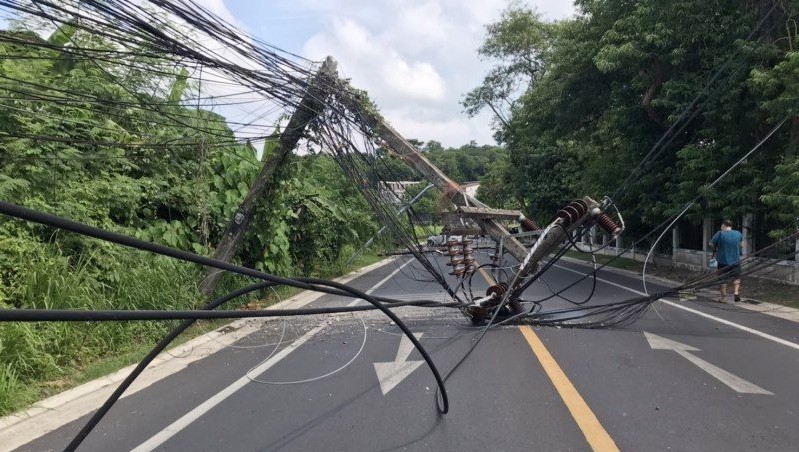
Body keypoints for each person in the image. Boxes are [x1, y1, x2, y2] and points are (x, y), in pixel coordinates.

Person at [709, 219, 744, 303]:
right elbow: (742, 245)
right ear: (731, 226)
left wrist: (715, 248)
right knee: (736, 277)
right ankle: (736, 292)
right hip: (735, 261)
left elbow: (710, 244)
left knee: (722, 279)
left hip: (722, 261)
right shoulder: (738, 233)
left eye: (721, 226)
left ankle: (723, 298)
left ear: (723, 225)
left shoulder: (720, 233)